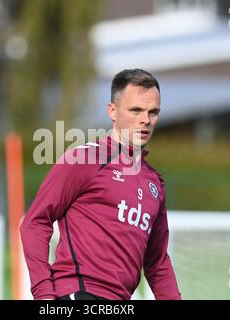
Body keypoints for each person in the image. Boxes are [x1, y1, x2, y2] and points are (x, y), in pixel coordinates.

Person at [20, 69, 181, 300]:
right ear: (112, 112)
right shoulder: (85, 160)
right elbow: (35, 222)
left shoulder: (154, 183)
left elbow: (158, 263)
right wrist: (44, 293)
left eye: (153, 112)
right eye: (136, 110)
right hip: (80, 293)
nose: (145, 120)